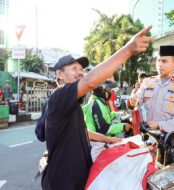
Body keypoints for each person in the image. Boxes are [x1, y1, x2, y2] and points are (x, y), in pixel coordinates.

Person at [41, 26, 152, 190]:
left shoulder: (69, 103)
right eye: (74, 69)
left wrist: (110, 140)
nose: (80, 73)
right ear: (59, 74)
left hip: (77, 175)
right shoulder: (59, 96)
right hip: (64, 181)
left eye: (81, 70)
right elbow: (89, 82)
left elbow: (81, 131)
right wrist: (128, 49)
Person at [128, 45, 174, 133]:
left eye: (164, 61)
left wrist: (160, 125)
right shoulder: (147, 82)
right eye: (158, 60)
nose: (160, 64)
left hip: (167, 138)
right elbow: (136, 102)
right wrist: (132, 102)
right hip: (145, 134)